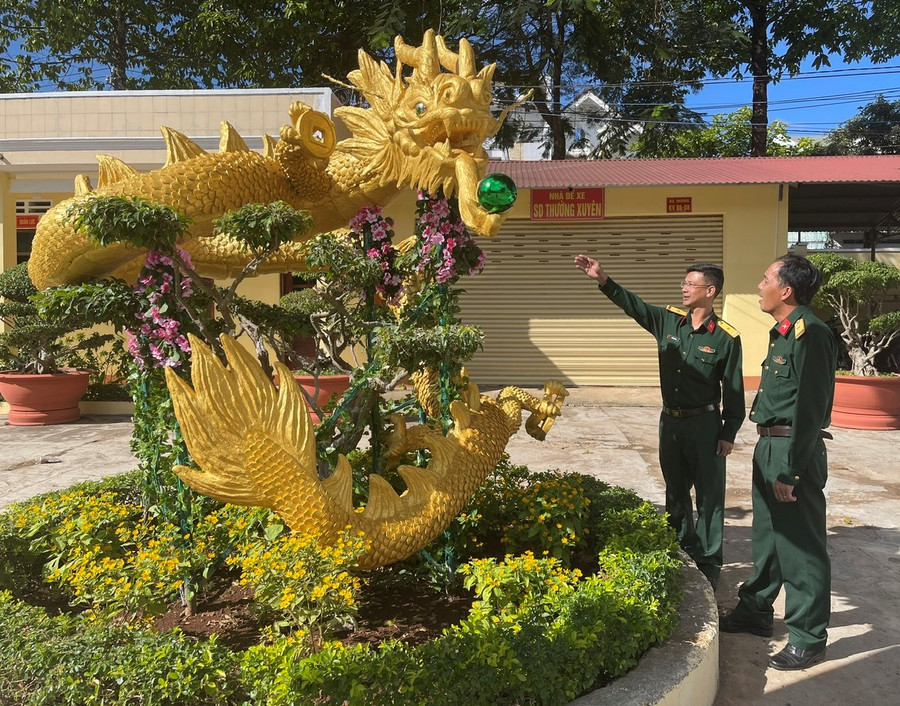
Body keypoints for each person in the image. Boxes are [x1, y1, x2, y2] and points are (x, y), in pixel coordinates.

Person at [574, 254, 745, 588]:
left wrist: (729, 432)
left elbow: (734, 389)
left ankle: (709, 562)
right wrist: (603, 279)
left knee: (710, 497)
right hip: (671, 423)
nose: (684, 289)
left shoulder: (726, 337)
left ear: (710, 291)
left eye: (691, 284)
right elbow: (634, 305)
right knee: (676, 491)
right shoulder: (668, 321)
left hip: (705, 426)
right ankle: (682, 548)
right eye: (684, 283)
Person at [720, 254, 837, 671]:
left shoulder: (812, 334)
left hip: (792, 450)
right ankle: (755, 611)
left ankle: (808, 636)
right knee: (767, 538)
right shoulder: (783, 333)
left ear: (786, 290)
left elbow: (810, 407)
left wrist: (793, 468)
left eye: (766, 277)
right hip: (769, 444)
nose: (759, 284)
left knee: (800, 547)